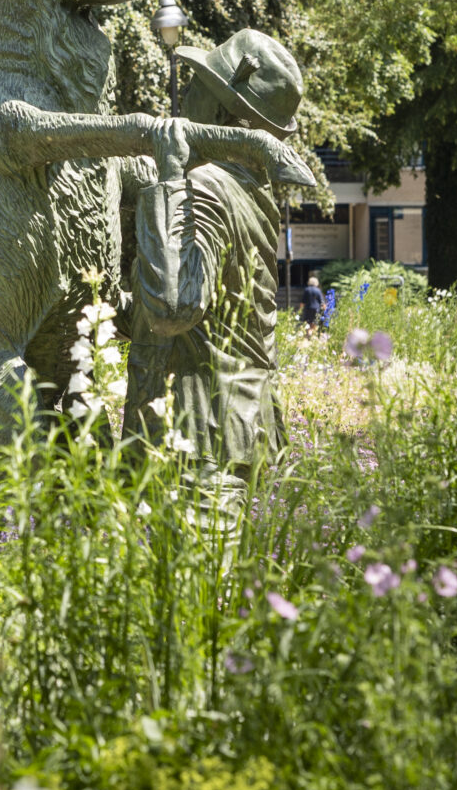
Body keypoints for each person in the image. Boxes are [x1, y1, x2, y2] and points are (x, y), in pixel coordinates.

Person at [124, 28, 315, 507]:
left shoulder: (206, 187)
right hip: (238, 426)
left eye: (197, 86)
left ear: (221, 112)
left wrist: (169, 179)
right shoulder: (250, 190)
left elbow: (174, 307)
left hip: (196, 439)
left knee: (201, 579)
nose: (185, 96)